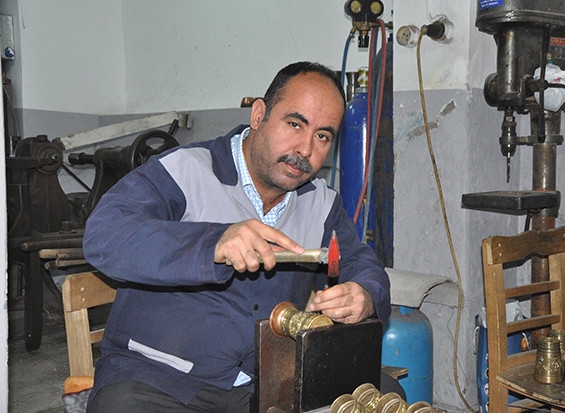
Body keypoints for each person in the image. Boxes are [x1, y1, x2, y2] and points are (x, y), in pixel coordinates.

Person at [82, 61, 391, 413]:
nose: (305, 149)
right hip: (158, 382)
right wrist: (213, 243)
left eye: (322, 136)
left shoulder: (320, 203)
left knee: (382, 395)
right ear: (259, 115)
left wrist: (364, 294)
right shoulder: (185, 171)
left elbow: (360, 263)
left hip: (268, 382)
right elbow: (105, 234)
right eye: (295, 124)